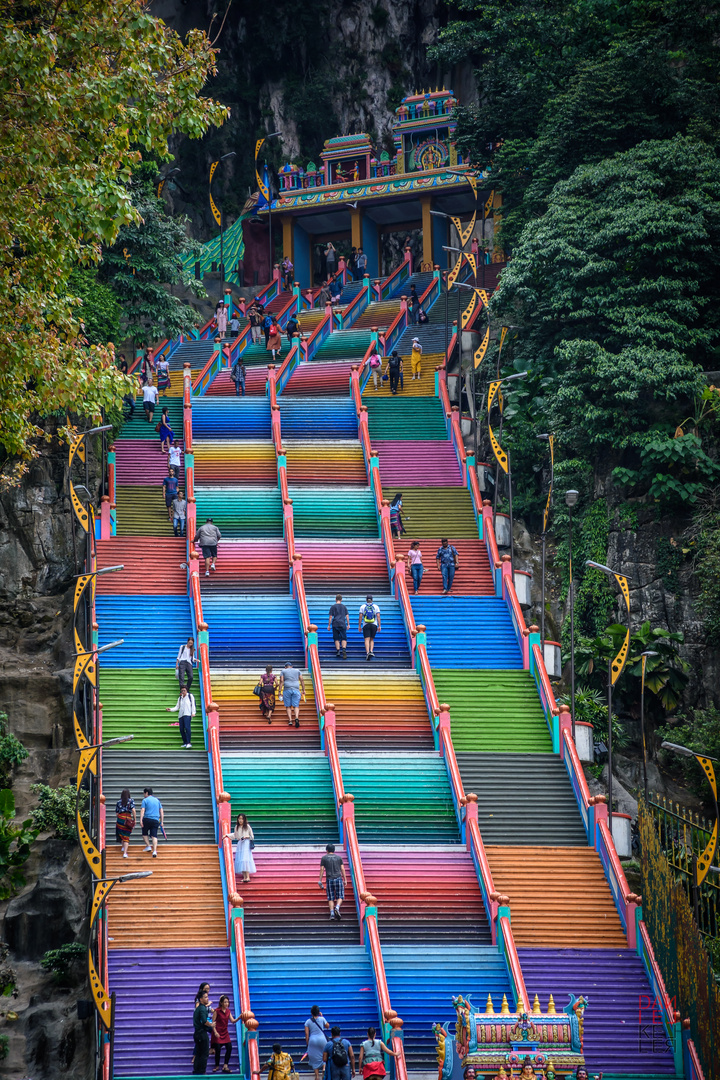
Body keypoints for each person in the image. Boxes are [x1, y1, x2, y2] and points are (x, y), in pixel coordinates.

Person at [318, 843, 347, 921]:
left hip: (329, 879)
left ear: (327, 850)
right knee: (340, 895)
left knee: (330, 897)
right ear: (334, 850)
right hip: (338, 878)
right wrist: (345, 879)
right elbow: (343, 869)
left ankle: (332, 914)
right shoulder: (339, 858)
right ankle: (337, 908)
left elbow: (322, 869)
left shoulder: (324, 858)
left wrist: (320, 880)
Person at [211, 995, 239, 1074]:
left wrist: (239, 1017)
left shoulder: (228, 1011)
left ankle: (225, 1065)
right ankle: (217, 1066)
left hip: (225, 1032)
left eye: (227, 1002)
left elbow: (233, 1021)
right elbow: (213, 1023)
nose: (226, 1004)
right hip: (218, 1032)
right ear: (221, 1003)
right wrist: (215, 1032)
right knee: (218, 1049)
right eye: (225, 1002)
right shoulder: (217, 1011)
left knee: (229, 1047)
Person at [305, 1007, 331, 1080]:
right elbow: (328, 1026)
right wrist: (322, 1016)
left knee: (314, 1058)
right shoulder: (322, 1019)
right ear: (318, 1012)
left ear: (311, 1013)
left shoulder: (308, 1021)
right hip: (322, 1040)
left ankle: (317, 1076)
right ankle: (324, 1067)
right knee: (325, 1054)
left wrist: (308, 1045)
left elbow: (307, 1035)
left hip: (313, 1041)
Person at [193, 988, 214, 1075]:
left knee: (198, 1053)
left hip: (197, 1033)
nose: (207, 998)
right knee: (204, 1053)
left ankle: (196, 1071)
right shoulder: (202, 1009)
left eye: (207, 997)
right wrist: (211, 1025)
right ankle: (202, 1072)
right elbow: (204, 1021)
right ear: (201, 999)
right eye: (205, 997)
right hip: (202, 1033)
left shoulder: (199, 1008)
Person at [279, 661, 305, 728]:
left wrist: (279, 691)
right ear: (292, 666)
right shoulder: (297, 671)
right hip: (296, 689)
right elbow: (301, 680)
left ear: (285, 667)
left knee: (288, 706)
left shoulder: (283, 671)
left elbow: (281, 681)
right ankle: (296, 717)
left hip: (287, 689)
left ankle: (290, 720)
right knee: (296, 706)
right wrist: (303, 690)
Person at [140, 786, 163, 857]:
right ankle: (155, 851)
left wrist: (141, 819)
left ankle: (148, 846)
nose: (144, 795)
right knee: (154, 835)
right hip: (156, 820)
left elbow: (142, 810)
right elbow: (161, 811)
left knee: (144, 833)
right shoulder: (157, 800)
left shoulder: (145, 800)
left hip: (147, 819)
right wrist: (162, 821)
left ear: (146, 793)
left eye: (144, 793)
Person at [233, 812, 256, 884]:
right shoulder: (236, 827)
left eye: (242, 819)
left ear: (244, 820)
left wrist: (246, 837)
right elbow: (235, 836)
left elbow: (252, 836)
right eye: (239, 819)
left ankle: (247, 877)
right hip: (240, 843)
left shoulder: (247, 827)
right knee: (241, 859)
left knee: (245, 859)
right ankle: (244, 877)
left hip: (246, 843)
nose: (240, 820)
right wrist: (227, 835)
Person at [358, 595, 381, 661]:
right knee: (372, 639)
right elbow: (378, 616)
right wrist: (379, 625)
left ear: (366, 600)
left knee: (366, 639)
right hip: (374, 624)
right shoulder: (376, 606)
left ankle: (367, 652)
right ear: (372, 600)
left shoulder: (362, 606)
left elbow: (360, 616)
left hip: (366, 624)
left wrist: (359, 626)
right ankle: (371, 651)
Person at [327, 594, 349, 659]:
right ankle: (344, 650)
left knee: (336, 638)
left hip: (335, 623)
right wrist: (348, 624)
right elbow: (347, 616)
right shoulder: (344, 607)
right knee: (344, 637)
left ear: (335, 599)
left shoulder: (333, 607)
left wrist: (329, 625)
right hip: (342, 623)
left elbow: (330, 617)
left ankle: (338, 651)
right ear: (341, 599)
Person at [115, 789, 135, 858]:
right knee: (126, 835)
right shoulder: (131, 801)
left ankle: (123, 847)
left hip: (120, 819)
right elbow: (133, 810)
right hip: (127, 818)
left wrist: (120, 818)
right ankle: (125, 853)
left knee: (121, 833)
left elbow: (117, 813)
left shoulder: (118, 802)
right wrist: (134, 819)